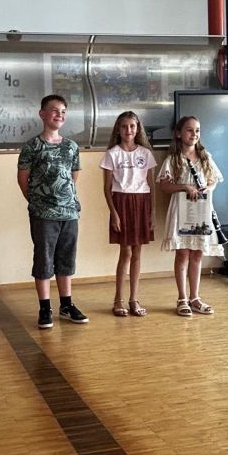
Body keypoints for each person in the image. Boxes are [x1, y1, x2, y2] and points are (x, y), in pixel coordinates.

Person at [17, 94, 88, 329]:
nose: (60, 115)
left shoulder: (71, 146)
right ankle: (44, 308)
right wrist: (38, 202)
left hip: (69, 213)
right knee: (44, 260)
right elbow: (23, 179)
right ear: (42, 114)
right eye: (55, 110)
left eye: (63, 111)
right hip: (43, 214)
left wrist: (66, 200)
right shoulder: (32, 147)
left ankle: (66, 305)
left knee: (66, 259)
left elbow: (73, 176)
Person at [158, 115, 223, 317]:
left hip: (202, 210)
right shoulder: (173, 159)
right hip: (182, 211)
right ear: (178, 133)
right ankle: (182, 298)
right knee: (183, 253)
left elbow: (214, 180)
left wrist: (208, 188)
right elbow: (164, 185)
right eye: (189, 130)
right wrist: (184, 187)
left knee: (197, 253)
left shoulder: (205, 157)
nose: (194, 134)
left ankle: (195, 297)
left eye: (197, 130)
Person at [100, 110, 156, 317]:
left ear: (138, 128)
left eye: (132, 126)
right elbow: (107, 188)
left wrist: (151, 213)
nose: (128, 130)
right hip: (121, 202)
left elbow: (151, 185)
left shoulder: (145, 153)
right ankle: (118, 300)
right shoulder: (112, 154)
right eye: (124, 126)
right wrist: (114, 213)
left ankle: (134, 299)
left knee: (137, 253)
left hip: (141, 203)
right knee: (126, 252)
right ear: (118, 129)